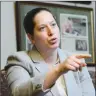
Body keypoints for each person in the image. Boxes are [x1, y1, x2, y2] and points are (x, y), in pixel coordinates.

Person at [5, 7, 95, 96]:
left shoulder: (75, 60)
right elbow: (17, 92)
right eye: (42, 28)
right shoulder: (19, 60)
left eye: (53, 24)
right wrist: (58, 70)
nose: (51, 32)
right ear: (31, 37)